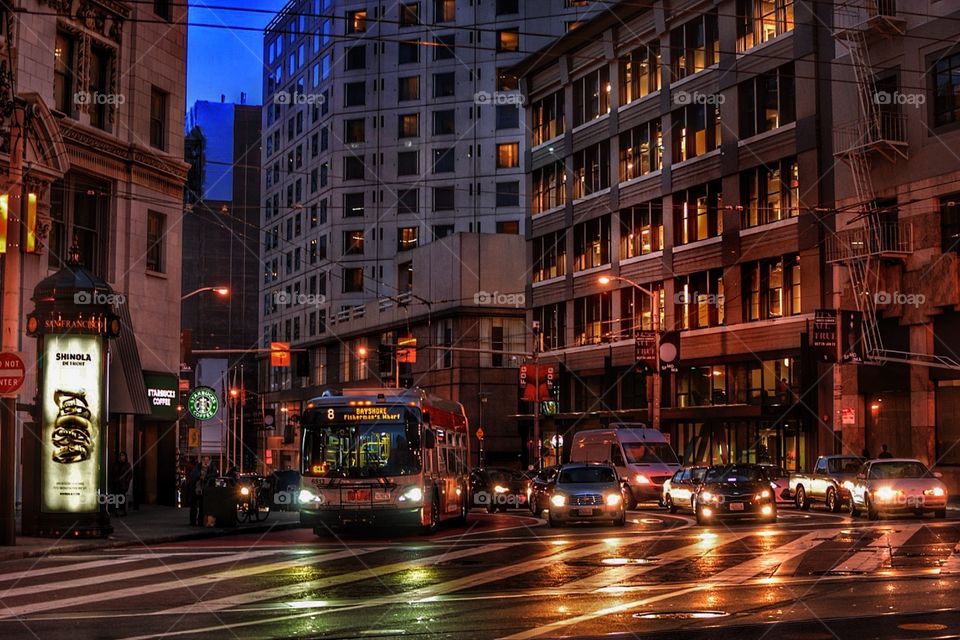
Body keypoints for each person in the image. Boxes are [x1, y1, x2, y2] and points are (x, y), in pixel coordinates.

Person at [110, 451, 133, 516]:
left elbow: (130, 475)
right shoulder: (115, 464)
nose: (121, 457)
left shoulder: (127, 465)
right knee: (116, 497)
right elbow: (112, 473)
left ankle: (123, 511)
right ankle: (116, 511)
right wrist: (114, 480)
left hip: (123, 484)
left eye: (123, 456)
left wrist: (126, 481)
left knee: (122, 497)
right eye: (120, 456)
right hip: (116, 483)